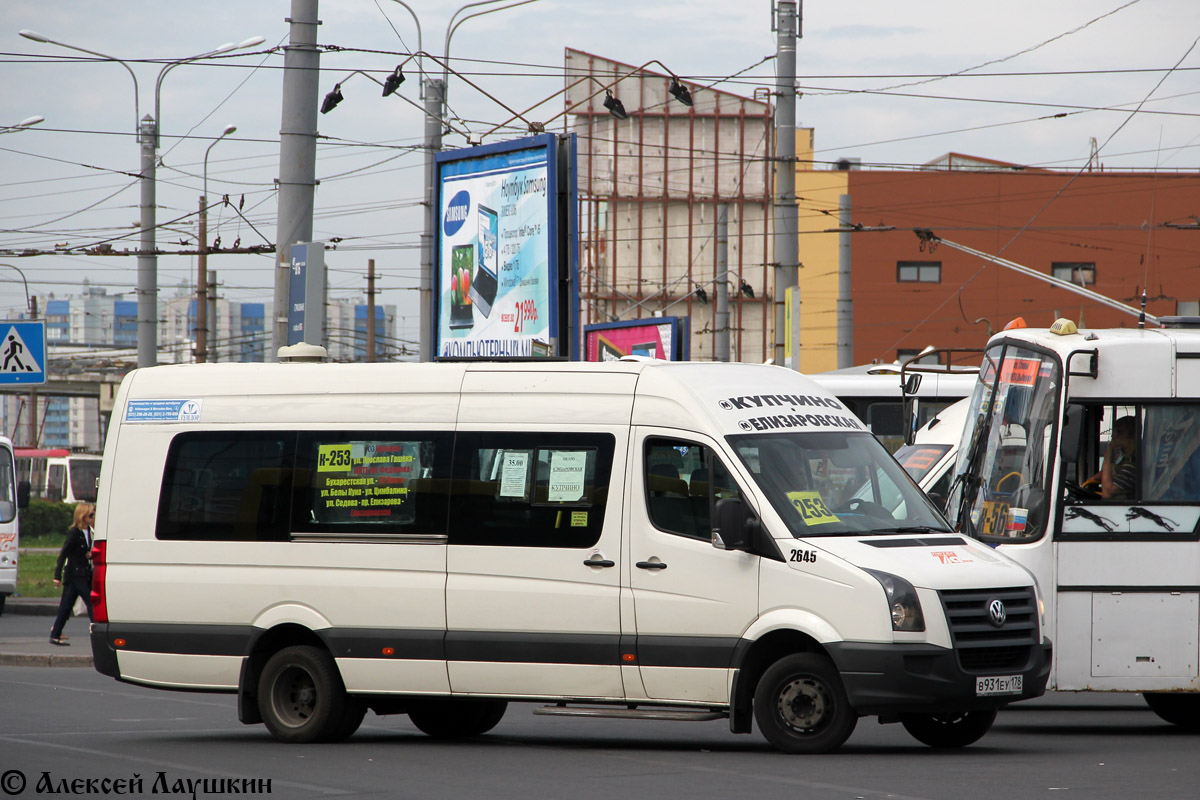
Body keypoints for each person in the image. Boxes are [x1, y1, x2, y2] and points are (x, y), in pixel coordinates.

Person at [49, 503, 96, 646]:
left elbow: (84, 552)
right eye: (91, 515)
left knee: (66, 606)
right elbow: (64, 554)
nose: (94, 517)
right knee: (91, 602)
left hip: (85, 573)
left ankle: (55, 633)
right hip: (75, 574)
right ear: (83, 517)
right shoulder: (74, 533)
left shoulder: (89, 531)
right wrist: (57, 576)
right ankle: (98, 632)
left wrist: (89, 555)